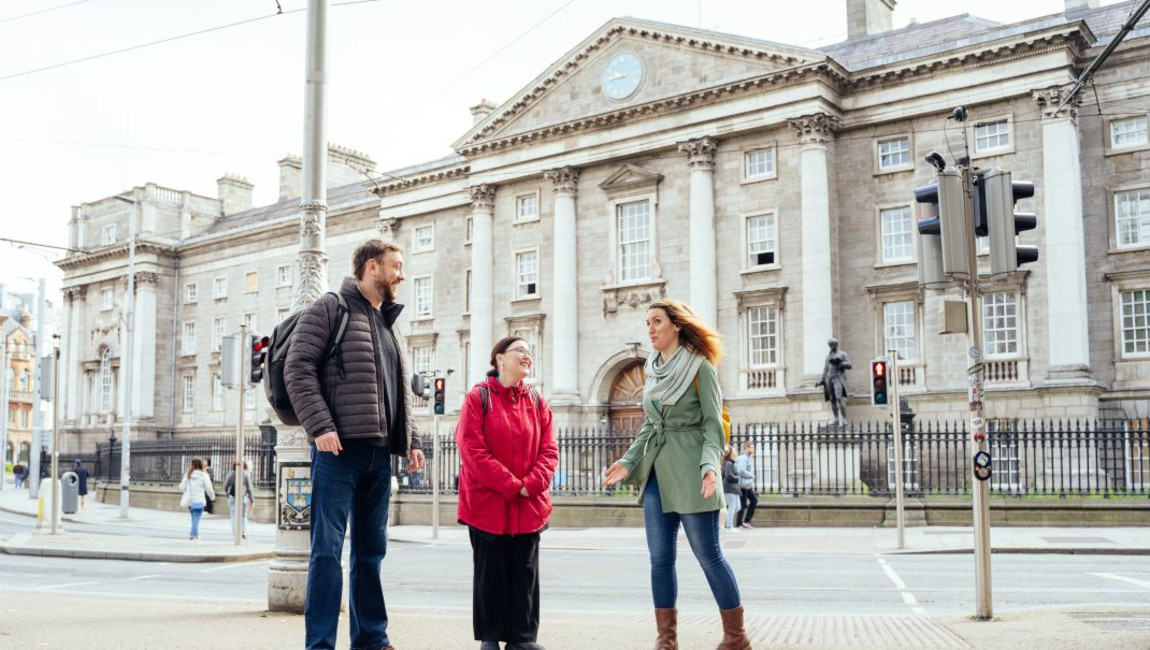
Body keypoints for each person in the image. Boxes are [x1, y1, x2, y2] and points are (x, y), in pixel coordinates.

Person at [285, 238, 425, 650]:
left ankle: (370, 639)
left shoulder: (389, 322)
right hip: (337, 452)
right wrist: (321, 426)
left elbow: (399, 390)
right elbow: (298, 368)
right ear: (370, 267)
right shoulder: (330, 308)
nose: (402, 274)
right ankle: (321, 644)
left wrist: (411, 439)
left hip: (379, 454)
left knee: (371, 552)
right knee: (327, 553)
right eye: (395, 265)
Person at [603, 298, 752, 650]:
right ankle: (666, 640)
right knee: (659, 558)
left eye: (656, 321)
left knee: (709, 556)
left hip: (692, 471)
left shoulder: (700, 368)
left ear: (677, 326)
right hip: (657, 473)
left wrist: (709, 467)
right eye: (647, 323)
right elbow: (650, 427)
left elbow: (715, 426)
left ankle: (736, 637)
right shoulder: (652, 369)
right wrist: (627, 461)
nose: (650, 329)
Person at [456, 336, 558, 650]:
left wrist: (532, 483)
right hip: (488, 504)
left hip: (528, 505)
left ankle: (522, 638)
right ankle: (490, 636)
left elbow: (549, 449)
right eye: (520, 352)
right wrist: (513, 485)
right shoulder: (478, 398)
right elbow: (472, 449)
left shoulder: (537, 400)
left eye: (530, 352)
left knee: (525, 572)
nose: (527, 356)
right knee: (491, 572)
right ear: (500, 359)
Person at [815, 337, 851, 425]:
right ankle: (836, 419)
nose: (831, 347)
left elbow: (849, 364)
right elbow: (825, 370)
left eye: (832, 345)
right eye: (830, 345)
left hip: (837, 378)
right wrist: (821, 380)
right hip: (829, 379)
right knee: (832, 399)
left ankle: (844, 419)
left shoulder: (842, 354)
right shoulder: (828, 357)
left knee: (839, 398)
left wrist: (841, 364)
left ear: (836, 344)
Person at [178, 458, 215, 540]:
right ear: (201, 465)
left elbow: (181, 487)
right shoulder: (204, 475)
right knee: (196, 518)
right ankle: (192, 535)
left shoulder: (188, 475)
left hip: (190, 501)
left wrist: (187, 487)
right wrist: (212, 496)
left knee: (194, 518)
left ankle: (196, 535)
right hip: (199, 501)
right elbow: (209, 488)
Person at [224, 459, 255, 540]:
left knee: (234, 516)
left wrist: (228, 495)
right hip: (243, 497)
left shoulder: (231, 475)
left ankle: (235, 534)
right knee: (244, 515)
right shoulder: (245, 475)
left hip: (232, 497)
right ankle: (243, 532)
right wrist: (252, 500)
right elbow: (250, 488)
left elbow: (225, 487)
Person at [734, 443, 758, 529]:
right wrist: (751, 475)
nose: (753, 448)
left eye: (753, 447)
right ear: (746, 448)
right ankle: (739, 523)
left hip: (747, 484)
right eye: (751, 447)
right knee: (743, 504)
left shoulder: (748, 458)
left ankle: (747, 521)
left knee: (754, 500)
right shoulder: (743, 458)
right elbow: (740, 470)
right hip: (742, 485)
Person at [722, 447, 741, 532]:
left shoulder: (732, 463)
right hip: (729, 488)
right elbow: (729, 475)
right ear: (730, 453)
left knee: (737, 507)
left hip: (734, 489)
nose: (736, 452)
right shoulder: (728, 463)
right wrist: (737, 478)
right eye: (734, 451)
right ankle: (729, 527)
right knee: (732, 507)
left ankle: (727, 524)